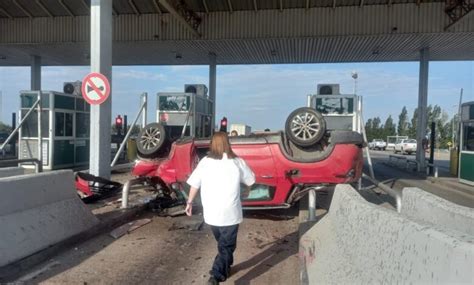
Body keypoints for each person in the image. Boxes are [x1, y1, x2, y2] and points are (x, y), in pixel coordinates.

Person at [185, 132, 255, 285]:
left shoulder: (205, 162)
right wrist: (246, 192)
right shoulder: (237, 162)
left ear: (212, 144)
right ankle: (216, 276)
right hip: (231, 212)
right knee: (227, 245)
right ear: (228, 143)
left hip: (211, 213)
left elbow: (194, 184)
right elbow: (250, 180)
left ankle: (223, 267)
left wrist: (189, 203)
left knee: (223, 244)